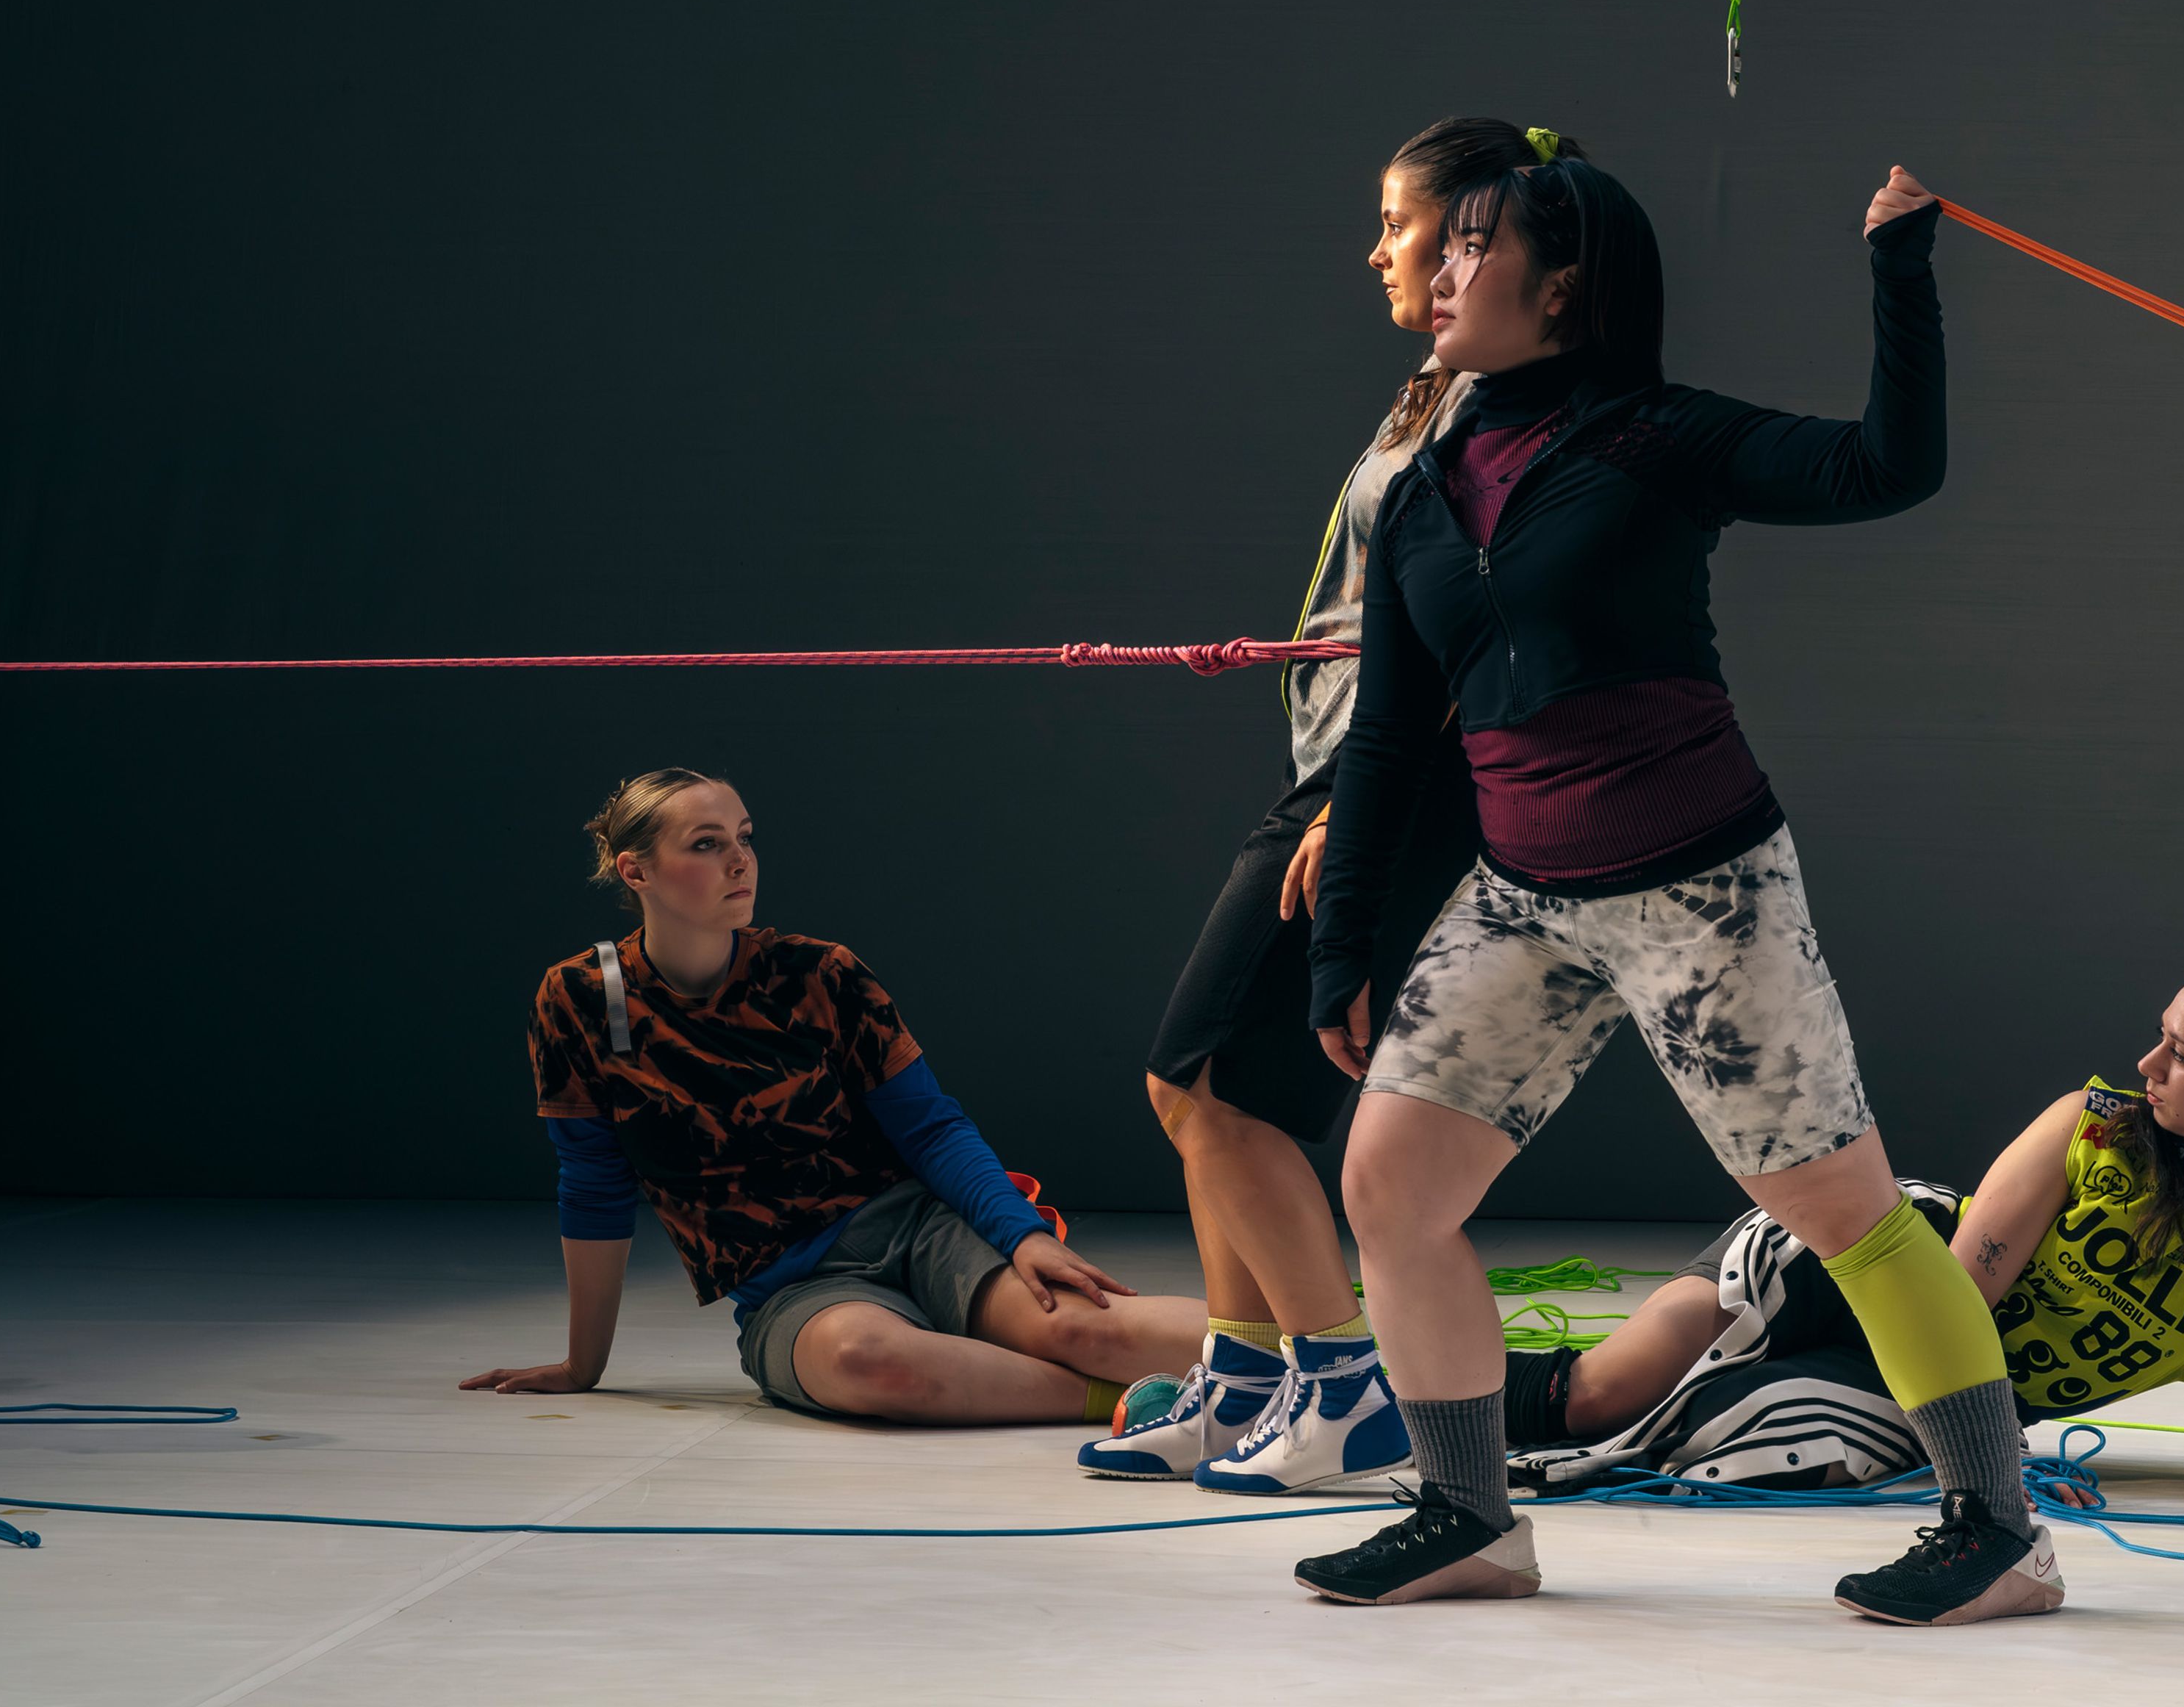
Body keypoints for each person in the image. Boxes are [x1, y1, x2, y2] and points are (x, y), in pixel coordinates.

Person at [1289, 147, 2057, 1625]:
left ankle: (2000, 1527)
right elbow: (1387, 733)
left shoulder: (1650, 438)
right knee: (1388, 1185)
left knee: (1841, 1208)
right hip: (1522, 892)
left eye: (1469, 248)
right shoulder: (1421, 488)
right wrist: (1344, 946)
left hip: (1701, 887)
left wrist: (1899, 269)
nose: (1435, 274)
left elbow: (1885, 467)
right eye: (1431, 249)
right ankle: (1466, 1514)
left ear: (1560, 284)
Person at [1080, 121, 1575, 1494]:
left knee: (1207, 1086)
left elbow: (1473, 639)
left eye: (1403, 228)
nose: (1379, 252)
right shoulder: (1438, 384)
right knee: (1206, 1093)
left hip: (1390, 779)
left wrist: (1354, 813)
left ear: (1477, 244)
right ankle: (1245, 1375)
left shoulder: (1505, 410)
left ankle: (1346, 1389)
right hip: (1341, 769)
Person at [1504, 958, 2184, 1532]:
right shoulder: (2092, 1130)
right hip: (1887, 1278)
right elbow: (1954, 1297)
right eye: (2162, 1037)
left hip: (1961, 1384)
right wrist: (1988, 1455)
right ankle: (1398, 1398)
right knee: (1602, 1395)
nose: (2148, 1064)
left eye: (2182, 1054)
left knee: (1709, 1436)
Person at [461, 769, 1205, 1422]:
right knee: (869, 1361)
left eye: (744, 837)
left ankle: (1309, 1355)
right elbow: (594, 1186)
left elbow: (931, 1128)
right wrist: (582, 1367)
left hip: (916, 1229)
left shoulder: (820, 973)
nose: (740, 859)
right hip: (791, 1291)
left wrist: (1022, 1235)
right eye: (706, 843)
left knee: (1087, 1331)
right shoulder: (581, 996)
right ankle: (1136, 1404)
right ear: (636, 871)